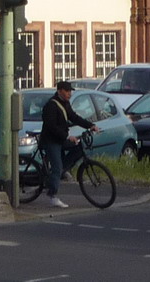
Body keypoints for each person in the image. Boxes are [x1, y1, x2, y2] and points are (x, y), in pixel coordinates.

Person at [38, 80, 95, 208]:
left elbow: (74, 117)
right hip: (51, 140)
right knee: (57, 167)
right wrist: (68, 136)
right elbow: (52, 126)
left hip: (60, 139)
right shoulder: (51, 106)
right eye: (67, 91)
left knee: (78, 149)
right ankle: (52, 195)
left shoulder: (65, 104)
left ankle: (59, 172)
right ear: (60, 91)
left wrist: (90, 125)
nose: (69, 93)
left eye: (70, 91)